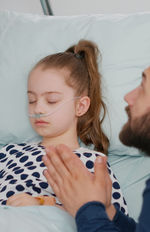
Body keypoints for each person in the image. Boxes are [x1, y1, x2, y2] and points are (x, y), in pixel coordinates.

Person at [0, 40, 127, 214]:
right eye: (32, 100)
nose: (38, 109)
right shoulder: (9, 153)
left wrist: (43, 205)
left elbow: (112, 227)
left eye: (51, 100)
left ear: (80, 106)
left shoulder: (93, 164)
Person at [43, 67, 150, 232]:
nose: (128, 97)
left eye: (143, 87)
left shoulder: (94, 160)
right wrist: (108, 213)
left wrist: (87, 210)